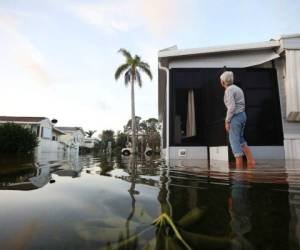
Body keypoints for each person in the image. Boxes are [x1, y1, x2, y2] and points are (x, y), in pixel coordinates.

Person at [220, 71, 255, 168]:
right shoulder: (238, 88)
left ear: (223, 81)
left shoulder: (229, 90)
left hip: (235, 117)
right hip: (242, 115)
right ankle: (251, 162)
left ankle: (239, 171)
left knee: (234, 141)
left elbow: (231, 107)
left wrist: (227, 121)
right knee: (241, 140)